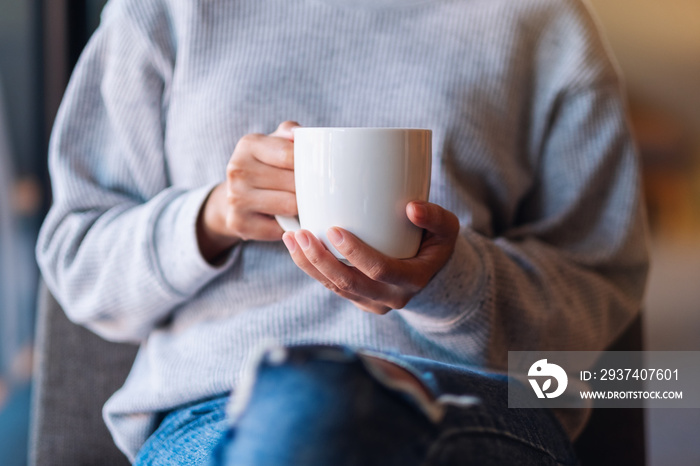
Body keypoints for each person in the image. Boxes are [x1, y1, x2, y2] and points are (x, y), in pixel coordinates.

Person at [36, 0, 650, 464]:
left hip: (472, 407)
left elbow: (601, 282)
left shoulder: (539, 19)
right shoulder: (164, 11)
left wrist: (455, 283)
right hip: (216, 415)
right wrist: (210, 217)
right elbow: (76, 257)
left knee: (320, 412)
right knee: (309, 411)